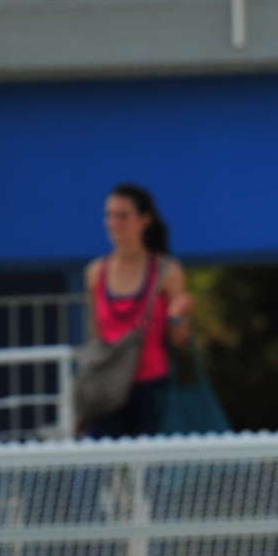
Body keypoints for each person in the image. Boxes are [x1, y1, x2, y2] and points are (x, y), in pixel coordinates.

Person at [81, 183, 194, 438]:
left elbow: (180, 340)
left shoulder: (167, 271)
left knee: (150, 458)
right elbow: (95, 336)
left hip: (151, 387)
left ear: (144, 220)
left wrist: (178, 316)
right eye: (109, 215)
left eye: (123, 216)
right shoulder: (95, 272)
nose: (114, 223)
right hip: (106, 386)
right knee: (103, 456)